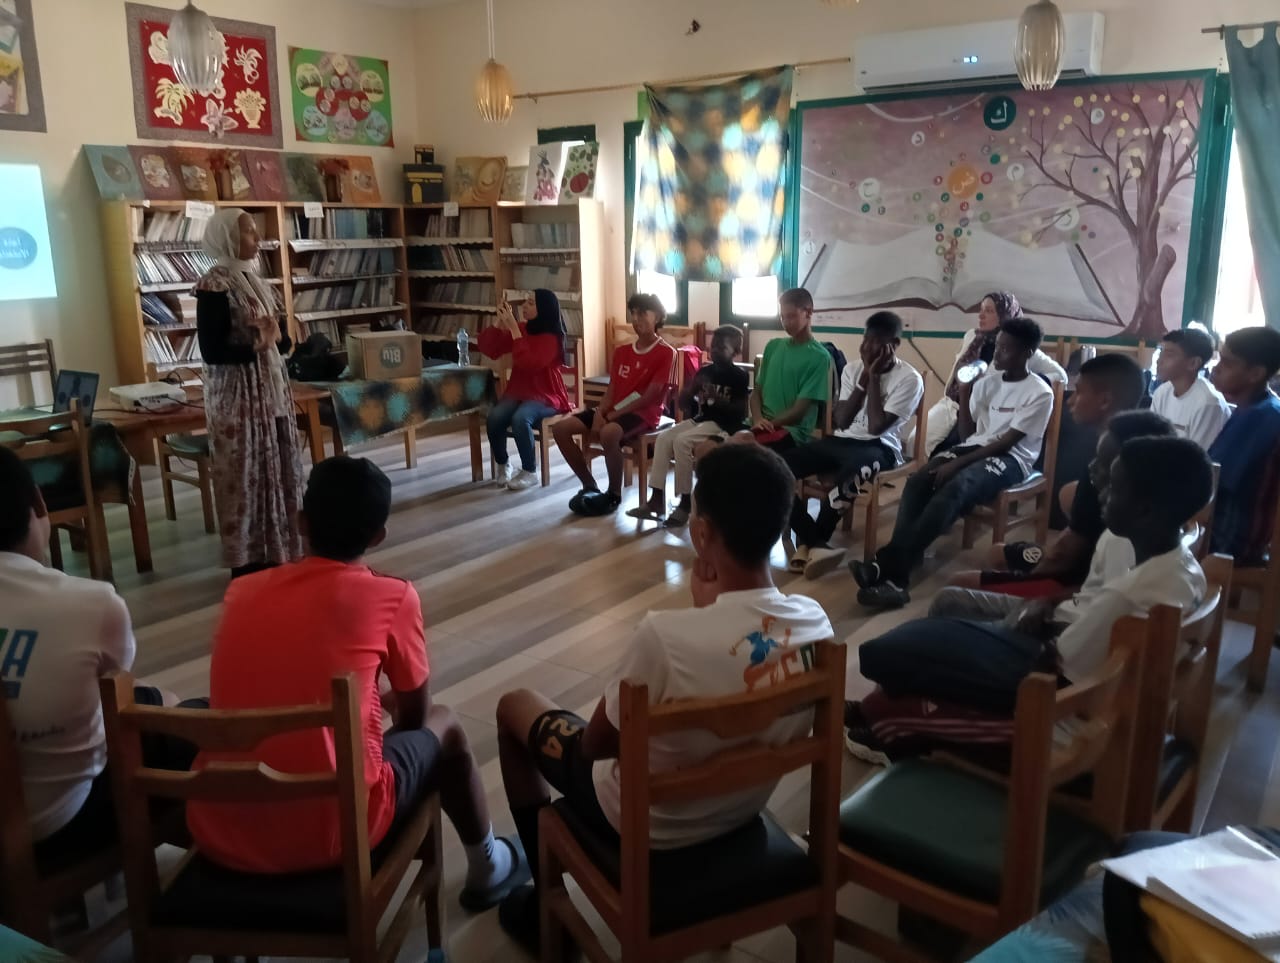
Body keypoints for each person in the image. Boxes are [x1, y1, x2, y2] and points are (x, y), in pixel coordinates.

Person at [492, 444, 833, 952]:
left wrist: (702, 613)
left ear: (702, 533)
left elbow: (595, 747)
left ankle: (547, 913)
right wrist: (710, 610)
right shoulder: (814, 623)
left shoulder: (665, 638)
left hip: (648, 828)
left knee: (514, 706)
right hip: (742, 808)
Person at [188, 456, 528, 910]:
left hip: (221, 827)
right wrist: (378, 712)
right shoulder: (393, 595)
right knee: (444, 722)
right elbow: (415, 716)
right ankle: (489, 867)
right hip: (340, 830)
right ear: (378, 536)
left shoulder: (241, 591)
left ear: (302, 522)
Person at [846, 435, 1212, 764]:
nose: (1101, 494)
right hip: (1104, 702)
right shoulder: (1184, 569)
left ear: (1145, 510)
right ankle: (886, 702)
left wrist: (998, 639)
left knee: (893, 663)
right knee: (919, 648)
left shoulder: (1124, 596)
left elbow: (1052, 669)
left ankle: (894, 729)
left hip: (1061, 725)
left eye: (1114, 489)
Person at [0, 447, 192, 864]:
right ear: (39, 503)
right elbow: (117, 692)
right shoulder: (89, 604)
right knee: (190, 725)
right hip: (55, 826)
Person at [852, 317, 1055, 609]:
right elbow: (968, 435)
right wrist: (966, 392)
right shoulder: (988, 383)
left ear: (1027, 354)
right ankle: (897, 563)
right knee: (919, 481)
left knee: (957, 486)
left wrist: (956, 464)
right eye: (997, 346)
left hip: (1011, 460)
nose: (997, 354)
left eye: (1006, 349)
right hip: (975, 448)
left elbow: (1005, 443)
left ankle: (893, 575)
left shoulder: (1040, 392)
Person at [950, 357, 1153, 596]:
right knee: (999, 551)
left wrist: (1028, 582)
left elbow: (1063, 555)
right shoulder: (1132, 445)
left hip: (1080, 582)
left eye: (1079, 392)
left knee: (958, 582)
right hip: (1090, 558)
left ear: (1105, 401)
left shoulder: (1108, 464)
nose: (1070, 400)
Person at [195, 207, 303, 579]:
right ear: (226, 238)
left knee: (274, 469)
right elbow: (212, 351)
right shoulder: (213, 284)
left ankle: (276, 551)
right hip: (238, 397)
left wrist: (278, 337)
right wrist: (258, 342)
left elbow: (282, 341)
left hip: (269, 391)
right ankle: (245, 564)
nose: (257, 239)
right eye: (248, 232)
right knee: (243, 476)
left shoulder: (256, 280)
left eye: (256, 231)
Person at [783, 311, 924, 579]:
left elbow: (876, 427)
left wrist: (875, 378)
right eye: (865, 340)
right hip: (841, 440)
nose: (868, 348)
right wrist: (864, 378)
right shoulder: (852, 369)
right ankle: (815, 542)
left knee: (849, 479)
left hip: (880, 448)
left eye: (877, 342)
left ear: (894, 345)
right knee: (776, 468)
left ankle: (810, 544)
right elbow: (843, 421)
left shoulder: (909, 378)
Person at [552, 293, 677, 517]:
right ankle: (589, 484)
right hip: (615, 410)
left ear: (657, 317)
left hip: (644, 413)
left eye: (642, 313)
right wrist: (600, 412)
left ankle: (613, 494)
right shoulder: (622, 351)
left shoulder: (666, 352)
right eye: (633, 314)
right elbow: (612, 390)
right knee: (561, 428)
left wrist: (610, 417)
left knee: (609, 433)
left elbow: (649, 396)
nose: (636, 319)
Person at [627, 325, 748, 527]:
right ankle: (656, 499)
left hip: (723, 425)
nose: (715, 350)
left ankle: (685, 502)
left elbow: (740, 413)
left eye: (721, 347)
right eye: (713, 346)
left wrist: (717, 399)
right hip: (702, 420)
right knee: (664, 438)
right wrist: (690, 390)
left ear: (735, 352)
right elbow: (684, 404)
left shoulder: (739, 376)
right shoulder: (705, 371)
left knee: (682, 441)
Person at [927, 291, 1067, 455]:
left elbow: (1060, 376)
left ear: (1004, 314)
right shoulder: (972, 336)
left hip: (985, 412)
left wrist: (1025, 384)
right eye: (981, 309)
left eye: (988, 311)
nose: (981, 315)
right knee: (919, 440)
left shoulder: (1022, 349)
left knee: (949, 451)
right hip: (954, 403)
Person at [477, 289, 571, 492]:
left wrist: (514, 330)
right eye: (525, 302)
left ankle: (530, 471)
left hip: (545, 394)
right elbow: (490, 349)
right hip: (519, 391)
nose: (524, 306)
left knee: (521, 418)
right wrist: (499, 322)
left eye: (531, 303)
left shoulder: (552, 337)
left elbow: (530, 363)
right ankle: (503, 463)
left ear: (543, 308)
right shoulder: (521, 328)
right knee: (495, 416)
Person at [1208, 326, 1280, 565]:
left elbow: (1215, 479)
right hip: (1229, 530)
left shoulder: (1263, 416)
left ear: (1255, 374)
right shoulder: (1256, 408)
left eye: (1227, 363)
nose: (1216, 368)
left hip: (1231, 542)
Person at [740, 287, 833, 452]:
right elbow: (756, 393)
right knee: (713, 444)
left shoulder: (819, 356)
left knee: (737, 448)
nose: (786, 323)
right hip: (759, 425)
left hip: (791, 430)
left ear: (808, 312)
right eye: (782, 317)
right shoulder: (773, 346)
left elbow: (799, 411)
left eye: (791, 316)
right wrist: (758, 420)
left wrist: (767, 424)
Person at [1150, 327, 1231, 449]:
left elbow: (1198, 456)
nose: (1159, 360)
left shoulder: (1208, 403)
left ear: (1193, 363)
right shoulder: (1162, 392)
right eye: (1161, 352)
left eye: (1169, 355)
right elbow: (1150, 438)